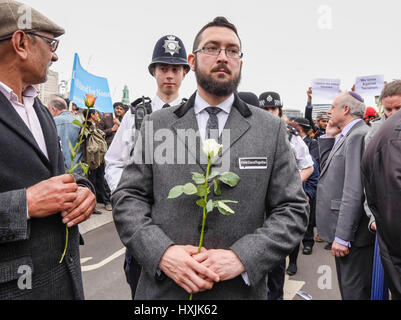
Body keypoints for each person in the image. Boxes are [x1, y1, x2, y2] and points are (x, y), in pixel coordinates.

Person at [112, 16, 308, 300]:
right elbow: (127, 197)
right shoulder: (158, 124)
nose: (223, 57)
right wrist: (162, 253)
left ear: (241, 61)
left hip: (239, 292)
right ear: (192, 60)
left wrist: (243, 257)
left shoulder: (271, 129)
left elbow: (293, 209)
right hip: (165, 292)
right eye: (212, 48)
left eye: (232, 50)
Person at [0, 0, 96, 299]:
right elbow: (34, 196)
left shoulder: (38, 107)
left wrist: (80, 190)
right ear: (20, 43)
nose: (54, 54)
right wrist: (25, 204)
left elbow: (51, 174)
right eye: (50, 43)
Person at [105, 34, 190, 298]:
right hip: (142, 223)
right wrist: (130, 201)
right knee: (140, 286)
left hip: (181, 220)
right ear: (154, 71)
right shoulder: (135, 114)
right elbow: (114, 162)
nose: (169, 75)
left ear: (185, 72)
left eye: (175, 69)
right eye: (163, 68)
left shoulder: (193, 114)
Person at [316, 91, 374, 300]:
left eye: (333, 107)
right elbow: (328, 171)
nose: (329, 111)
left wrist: (343, 236)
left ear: (346, 109)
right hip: (348, 234)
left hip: (354, 236)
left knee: (354, 293)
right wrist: (328, 137)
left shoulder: (358, 135)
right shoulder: (348, 134)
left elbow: (353, 189)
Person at [257, 91, 313, 299]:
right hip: (254, 205)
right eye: (265, 109)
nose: (269, 112)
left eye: (273, 108)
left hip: (278, 206)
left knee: (275, 261)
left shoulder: (289, 134)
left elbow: (308, 166)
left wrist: (288, 183)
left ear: (279, 109)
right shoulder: (249, 130)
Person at [362, 104, 401, 299]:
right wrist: (373, 217)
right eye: (389, 108)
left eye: (398, 107)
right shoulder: (378, 135)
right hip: (385, 225)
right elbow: (368, 183)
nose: (393, 114)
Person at [286, 121, 319, 275]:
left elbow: (313, 173)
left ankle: (292, 262)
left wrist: (307, 194)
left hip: (296, 196)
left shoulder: (297, 144)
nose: (269, 112)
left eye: (273, 108)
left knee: (293, 232)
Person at [292, 117, 320, 255]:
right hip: (292, 188)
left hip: (305, 185)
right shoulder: (287, 140)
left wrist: (308, 193)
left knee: (307, 219)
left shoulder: (312, 144)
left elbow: (312, 167)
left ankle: (308, 242)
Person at [48, 95, 83, 173]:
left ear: (53, 109)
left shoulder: (52, 122)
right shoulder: (80, 121)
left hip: (61, 171)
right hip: (79, 169)